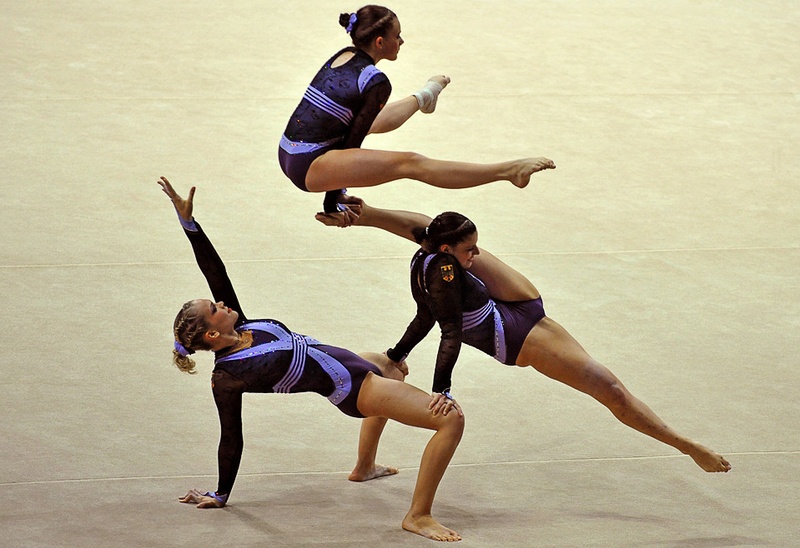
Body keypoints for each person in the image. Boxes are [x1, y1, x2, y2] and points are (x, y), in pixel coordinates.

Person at [157, 177, 465, 542]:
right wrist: (221, 493)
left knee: (393, 368)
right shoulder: (228, 376)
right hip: (354, 388)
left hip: (357, 364)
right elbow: (231, 436)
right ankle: (418, 515)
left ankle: (364, 467)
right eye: (214, 308)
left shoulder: (242, 326)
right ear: (211, 334)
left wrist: (189, 223)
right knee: (451, 420)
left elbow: (215, 270)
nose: (221, 303)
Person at [346, 202, 732, 474]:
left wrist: (396, 353)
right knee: (611, 389)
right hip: (521, 336)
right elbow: (448, 331)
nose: (476, 253)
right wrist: (440, 390)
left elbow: (427, 300)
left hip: (510, 302)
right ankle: (686, 445)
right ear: (447, 253)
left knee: (438, 228)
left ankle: (363, 212)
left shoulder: (432, 254)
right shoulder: (442, 277)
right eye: (469, 250)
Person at [278, 4, 556, 225]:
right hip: (310, 165)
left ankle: (425, 96)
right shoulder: (376, 82)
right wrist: (333, 200)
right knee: (410, 163)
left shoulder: (343, 55)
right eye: (397, 35)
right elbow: (352, 144)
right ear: (379, 42)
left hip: (288, 152)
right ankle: (508, 171)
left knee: (363, 121)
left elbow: (356, 126)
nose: (402, 40)